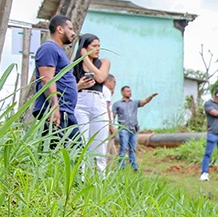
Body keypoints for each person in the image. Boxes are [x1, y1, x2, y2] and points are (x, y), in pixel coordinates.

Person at [32, 14, 85, 149]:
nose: (73, 33)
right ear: (60, 29)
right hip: (57, 111)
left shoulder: (57, 51)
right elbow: (46, 78)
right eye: (70, 29)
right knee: (68, 153)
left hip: (64, 111)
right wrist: (54, 106)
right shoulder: (49, 48)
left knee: (62, 153)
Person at [73, 33, 112, 172]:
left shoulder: (104, 62)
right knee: (81, 142)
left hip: (98, 101)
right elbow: (71, 88)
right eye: (94, 46)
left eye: (99, 46)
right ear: (84, 47)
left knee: (100, 144)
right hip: (81, 101)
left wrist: (85, 58)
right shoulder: (74, 66)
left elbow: (100, 78)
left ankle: (101, 178)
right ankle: (81, 176)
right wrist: (80, 85)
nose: (97, 49)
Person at [112, 86, 157, 170]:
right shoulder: (117, 104)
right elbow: (113, 116)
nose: (130, 93)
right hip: (124, 129)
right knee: (123, 147)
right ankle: (121, 166)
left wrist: (151, 97)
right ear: (122, 93)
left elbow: (144, 102)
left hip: (134, 129)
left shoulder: (134, 102)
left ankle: (134, 166)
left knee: (133, 148)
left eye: (130, 91)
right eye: (127, 91)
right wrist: (111, 127)